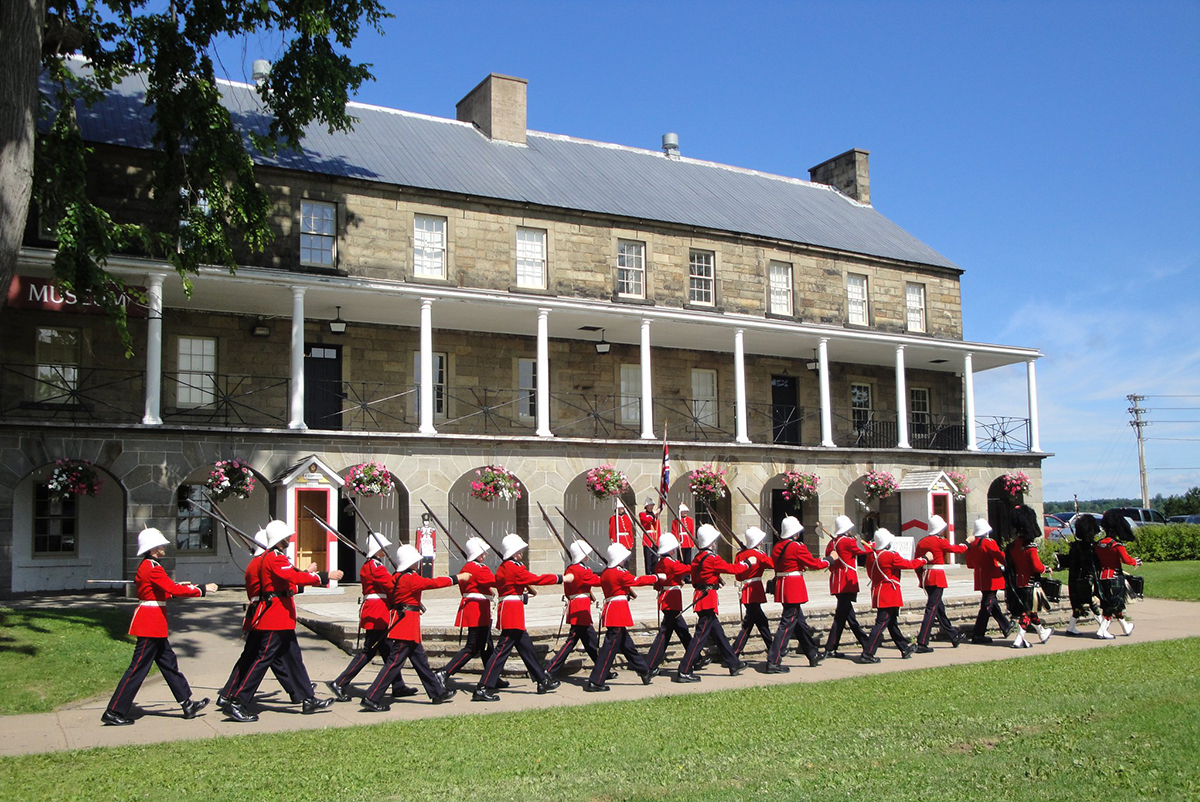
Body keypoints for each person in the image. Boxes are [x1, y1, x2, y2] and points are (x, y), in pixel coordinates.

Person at [224, 519, 343, 723]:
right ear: (279, 539)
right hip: (274, 618)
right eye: (287, 536)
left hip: (281, 618)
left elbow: (292, 579)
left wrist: (309, 574)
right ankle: (238, 700)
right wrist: (324, 576)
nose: (289, 539)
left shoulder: (274, 557)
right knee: (262, 660)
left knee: (294, 660)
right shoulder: (275, 558)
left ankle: (307, 698)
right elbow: (295, 577)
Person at [102, 528, 217, 726]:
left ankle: (186, 703)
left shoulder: (151, 566)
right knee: (137, 669)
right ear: (154, 548)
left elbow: (162, 592)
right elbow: (172, 589)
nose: (164, 548)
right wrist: (201, 589)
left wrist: (182, 587)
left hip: (154, 623)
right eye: (161, 545)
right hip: (150, 624)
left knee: (169, 664)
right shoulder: (153, 567)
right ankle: (114, 710)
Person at [360, 545, 461, 710]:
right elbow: (433, 583)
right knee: (393, 664)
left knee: (421, 661)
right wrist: (456, 578)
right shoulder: (410, 578)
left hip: (407, 623)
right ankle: (372, 697)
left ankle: (436, 692)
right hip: (405, 626)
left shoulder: (397, 577)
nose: (418, 563)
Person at [472, 534, 570, 702]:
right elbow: (535, 579)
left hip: (512, 611)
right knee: (501, 653)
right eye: (520, 550)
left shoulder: (506, 566)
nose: (522, 553)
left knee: (527, 649)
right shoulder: (514, 568)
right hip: (512, 612)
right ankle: (483, 686)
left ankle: (542, 680)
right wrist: (560, 578)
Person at [218, 530, 304, 710]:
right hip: (267, 614)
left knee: (270, 659)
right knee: (259, 658)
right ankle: (235, 697)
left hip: (261, 614)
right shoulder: (262, 562)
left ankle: (300, 693)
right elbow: (281, 589)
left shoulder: (257, 562)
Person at [327, 533, 417, 702]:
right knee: (368, 651)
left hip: (378, 610)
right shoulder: (375, 567)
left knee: (387, 650)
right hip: (377, 612)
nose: (385, 551)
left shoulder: (373, 565)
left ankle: (398, 685)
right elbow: (390, 586)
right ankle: (340, 682)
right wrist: (402, 580)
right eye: (383, 548)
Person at [673, 524, 752, 683]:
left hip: (702, 595)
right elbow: (732, 569)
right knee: (699, 637)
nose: (715, 544)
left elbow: (699, 576)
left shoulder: (698, 558)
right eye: (713, 541)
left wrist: (716, 579)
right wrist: (747, 563)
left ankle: (733, 663)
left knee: (719, 635)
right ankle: (684, 669)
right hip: (707, 598)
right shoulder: (712, 558)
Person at [584, 543, 662, 691]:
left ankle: (644, 671)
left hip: (613, 610)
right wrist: (655, 577)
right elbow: (636, 581)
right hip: (617, 612)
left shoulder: (607, 572)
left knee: (627, 646)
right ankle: (596, 680)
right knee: (609, 648)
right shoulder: (619, 573)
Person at [764, 516, 828, 672]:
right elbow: (813, 564)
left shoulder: (778, 546)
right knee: (787, 624)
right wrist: (829, 560)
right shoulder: (797, 546)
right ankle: (774, 659)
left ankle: (812, 654)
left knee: (800, 623)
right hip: (792, 586)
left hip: (783, 585)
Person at [437, 536, 501, 685]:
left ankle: (492, 677)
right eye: (482, 552)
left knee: (487, 646)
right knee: (473, 646)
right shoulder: (478, 568)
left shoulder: (469, 567)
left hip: (478, 607)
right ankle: (445, 672)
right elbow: (495, 581)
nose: (485, 555)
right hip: (476, 609)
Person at [858, 528, 926, 664]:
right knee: (881, 624)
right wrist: (923, 559)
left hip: (879, 591)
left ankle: (904, 647)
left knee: (891, 623)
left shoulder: (872, 555)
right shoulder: (890, 556)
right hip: (889, 593)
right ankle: (868, 652)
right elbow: (909, 564)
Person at [544, 540, 606, 678]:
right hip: (581, 608)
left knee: (591, 642)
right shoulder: (582, 570)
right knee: (572, 642)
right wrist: (610, 573)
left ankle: (601, 669)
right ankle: (550, 669)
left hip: (577, 605)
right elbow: (598, 581)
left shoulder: (570, 569)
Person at [914, 514, 968, 652]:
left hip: (927, 576)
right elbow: (957, 549)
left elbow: (917, 564)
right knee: (931, 609)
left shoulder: (921, 542)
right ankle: (922, 641)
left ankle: (953, 635)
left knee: (939, 608)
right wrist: (967, 543)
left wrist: (921, 579)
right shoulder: (940, 541)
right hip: (937, 577)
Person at [644, 532, 698, 672]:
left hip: (667, 597)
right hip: (671, 600)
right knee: (665, 634)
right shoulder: (670, 563)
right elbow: (687, 569)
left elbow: (659, 584)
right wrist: (700, 564)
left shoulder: (660, 563)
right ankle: (650, 664)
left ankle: (696, 658)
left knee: (682, 631)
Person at [823, 514, 871, 658]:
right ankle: (865, 643)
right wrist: (873, 544)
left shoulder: (832, 543)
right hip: (846, 580)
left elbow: (830, 560)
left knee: (846, 615)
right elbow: (864, 551)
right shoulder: (848, 542)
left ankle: (863, 642)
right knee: (843, 616)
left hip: (836, 579)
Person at [1005, 506, 1053, 648]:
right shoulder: (1030, 546)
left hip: (1018, 583)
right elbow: (1037, 567)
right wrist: (1047, 568)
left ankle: (1042, 632)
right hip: (1030, 584)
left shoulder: (1013, 546)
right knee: (1026, 612)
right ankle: (1019, 639)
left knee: (1031, 611)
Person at [964, 518, 1012, 644]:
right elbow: (1000, 557)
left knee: (991, 603)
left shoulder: (972, 545)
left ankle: (1005, 625)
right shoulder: (989, 542)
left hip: (980, 577)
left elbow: (969, 564)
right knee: (987, 605)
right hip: (991, 578)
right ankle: (978, 634)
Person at [1095, 510, 1141, 638]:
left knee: (1113, 604)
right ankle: (1102, 630)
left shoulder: (1099, 544)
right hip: (1115, 577)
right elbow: (1126, 560)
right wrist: (1135, 562)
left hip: (1102, 576)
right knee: (1114, 603)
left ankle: (1125, 627)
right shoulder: (1117, 545)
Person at [731, 526, 774, 658]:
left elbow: (738, 576)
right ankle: (734, 652)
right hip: (754, 590)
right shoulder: (759, 554)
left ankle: (772, 648)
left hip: (745, 589)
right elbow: (772, 564)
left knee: (759, 622)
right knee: (751, 624)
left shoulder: (740, 555)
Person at [1064, 516, 1104, 636]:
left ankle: (1071, 627)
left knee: (1079, 603)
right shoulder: (1090, 548)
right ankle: (1103, 626)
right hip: (1086, 578)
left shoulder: (1075, 546)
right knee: (1091, 601)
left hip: (1075, 578)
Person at [609, 500, 635, 570]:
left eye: (622, 508)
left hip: (627, 540)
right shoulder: (613, 518)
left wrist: (631, 541)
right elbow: (612, 529)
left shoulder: (627, 517)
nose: (621, 510)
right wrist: (613, 539)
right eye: (620, 508)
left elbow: (630, 530)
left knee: (627, 559)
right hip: (619, 539)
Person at [639, 498, 661, 574]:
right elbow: (646, 520)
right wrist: (654, 514)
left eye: (652, 505)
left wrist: (658, 540)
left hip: (654, 538)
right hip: (648, 538)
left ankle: (654, 573)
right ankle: (648, 574)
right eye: (650, 505)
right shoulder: (643, 514)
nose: (652, 507)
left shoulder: (655, 516)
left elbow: (657, 527)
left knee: (655, 559)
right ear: (646, 506)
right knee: (648, 559)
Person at [416, 513, 437, 579]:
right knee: (423, 566)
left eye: (427, 521)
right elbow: (418, 540)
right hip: (423, 549)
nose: (426, 523)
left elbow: (433, 540)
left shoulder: (432, 529)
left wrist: (434, 551)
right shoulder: (420, 529)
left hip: (429, 549)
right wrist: (418, 551)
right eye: (425, 521)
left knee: (430, 565)